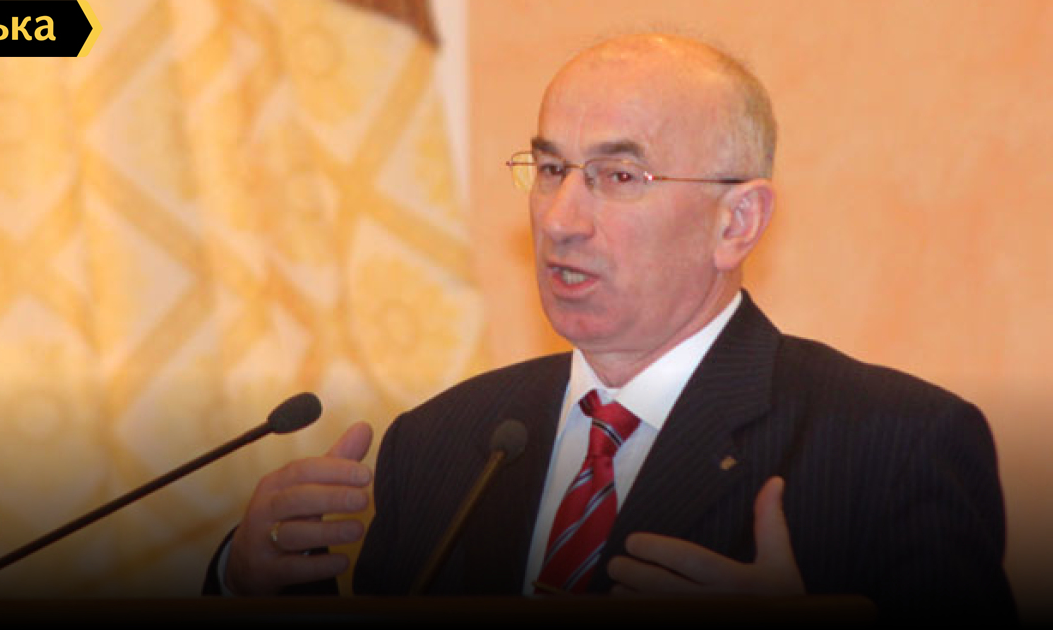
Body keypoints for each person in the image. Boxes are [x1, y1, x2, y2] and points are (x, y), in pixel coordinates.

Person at [204, 32, 1015, 623]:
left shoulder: (897, 445)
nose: (560, 219)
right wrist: (246, 581)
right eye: (551, 169)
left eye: (619, 176)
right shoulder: (439, 446)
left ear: (736, 222)